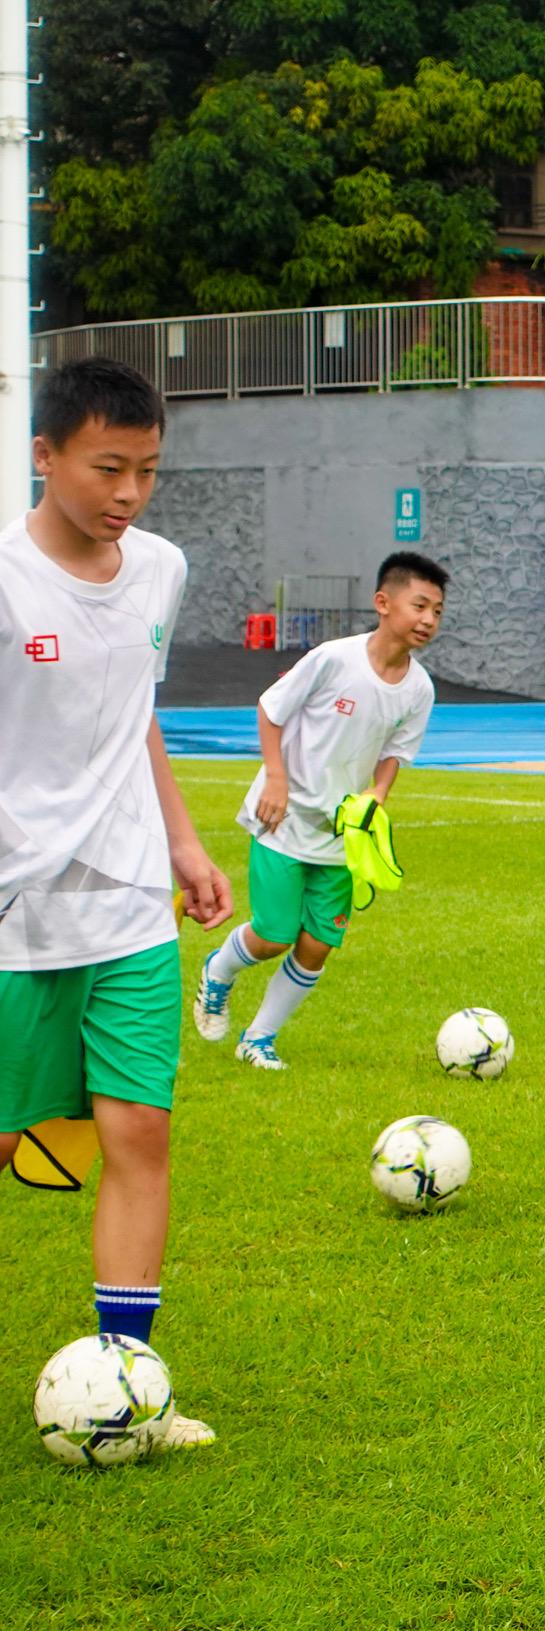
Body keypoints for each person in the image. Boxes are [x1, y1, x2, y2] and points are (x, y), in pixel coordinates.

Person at [0, 355, 231, 1450]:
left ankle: (132, 1382)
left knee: (139, 1131)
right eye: (106, 468)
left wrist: (183, 842)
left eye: (147, 470)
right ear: (43, 456)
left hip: (130, 906)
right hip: (15, 919)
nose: (128, 494)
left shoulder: (161, 569)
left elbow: (132, 710)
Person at [193, 553, 443, 1067]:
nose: (428, 620)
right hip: (281, 820)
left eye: (437, 611)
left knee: (317, 945)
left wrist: (378, 797)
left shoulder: (420, 689)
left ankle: (258, 1039)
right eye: (419, 605)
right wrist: (277, 780)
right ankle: (218, 971)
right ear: (383, 603)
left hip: (341, 835)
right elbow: (270, 707)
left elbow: (396, 751)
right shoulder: (334, 659)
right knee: (273, 936)